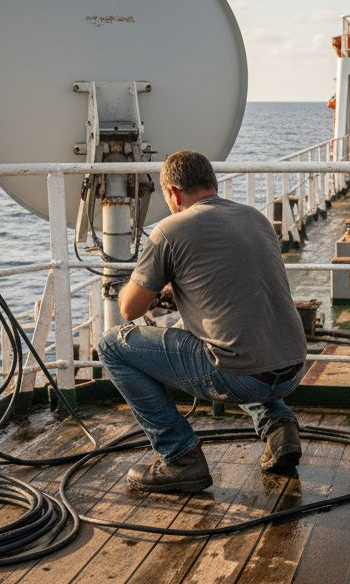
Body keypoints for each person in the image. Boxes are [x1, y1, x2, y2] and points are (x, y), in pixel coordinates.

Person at [98, 150, 307, 493]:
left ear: (174, 194)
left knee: (112, 345)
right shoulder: (256, 218)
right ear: (212, 184)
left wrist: (147, 287)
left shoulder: (169, 230)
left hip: (241, 377)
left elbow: (130, 309)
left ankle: (180, 457)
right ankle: (279, 426)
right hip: (293, 367)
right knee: (230, 338)